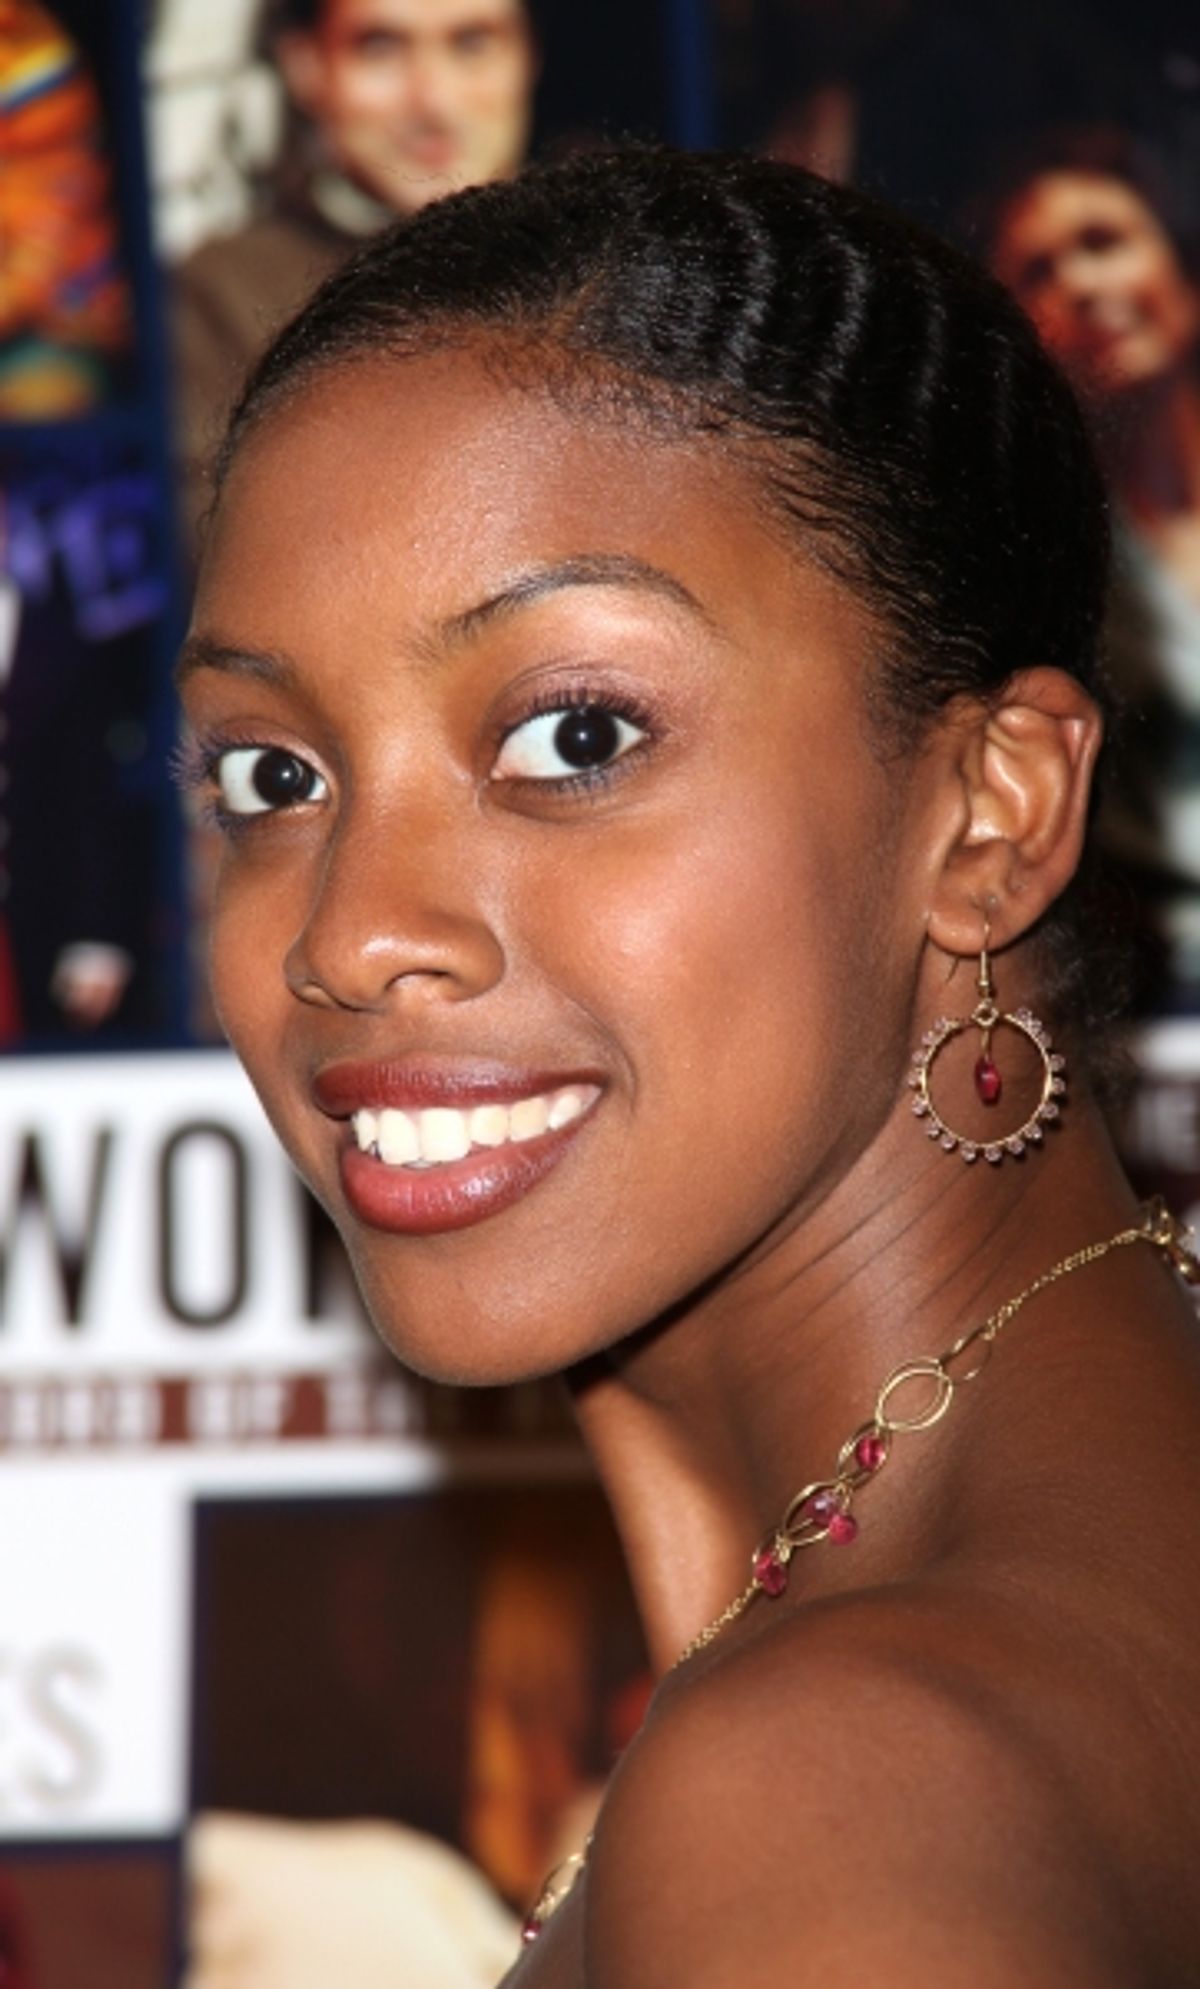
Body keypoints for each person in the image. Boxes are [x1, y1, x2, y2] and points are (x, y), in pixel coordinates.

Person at [175, 149, 1200, 1982]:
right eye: (273, 774)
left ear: (993, 808)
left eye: (575, 735)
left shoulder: (838, 1780)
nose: (351, 933)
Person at [171, 0, 538, 553]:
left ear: (527, 57)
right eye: (381, 49)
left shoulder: (616, 249)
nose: (433, 100)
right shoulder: (224, 292)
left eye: (471, 43)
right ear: (306, 67)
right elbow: (227, 550)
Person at [983, 129, 1200, 1002]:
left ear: (1181, 271)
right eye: (1039, 271)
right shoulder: (1028, 569)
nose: (1080, 283)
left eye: (1104, 242)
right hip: (1151, 1008)